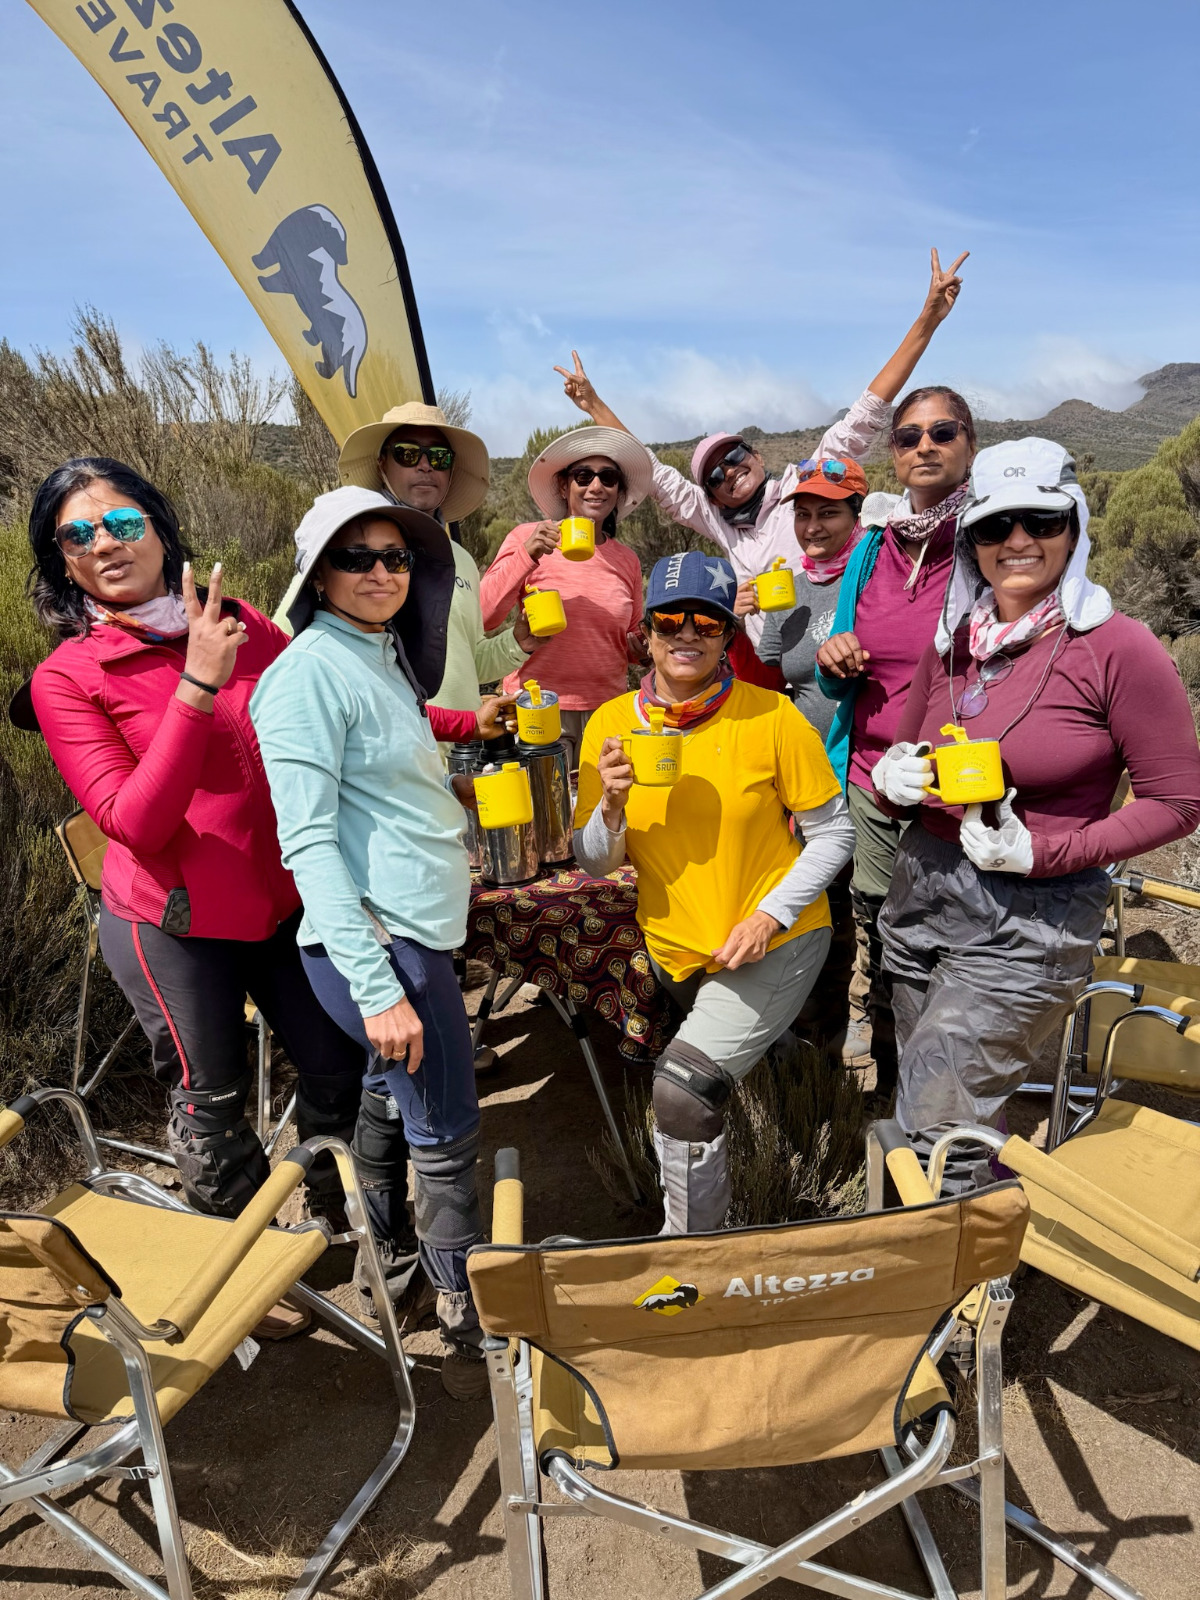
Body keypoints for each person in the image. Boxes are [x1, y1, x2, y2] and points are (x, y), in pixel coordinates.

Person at [24, 458, 367, 1270]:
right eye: (76, 535)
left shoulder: (234, 618)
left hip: (281, 901)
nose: (103, 543)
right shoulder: (65, 678)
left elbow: (338, 700)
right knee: (210, 1102)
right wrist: (197, 684)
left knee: (336, 1062)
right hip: (172, 923)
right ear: (61, 562)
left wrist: (459, 725)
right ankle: (252, 1268)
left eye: (122, 522)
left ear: (159, 527)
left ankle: (341, 1213)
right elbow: (133, 822)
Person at [870, 439, 1200, 1192]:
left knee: (934, 1124)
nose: (1018, 541)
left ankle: (955, 1296)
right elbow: (904, 761)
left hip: (1031, 918)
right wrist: (896, 779)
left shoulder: (1119, 648)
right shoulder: (952, 645)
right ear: (973, 542)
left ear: (1074, 527)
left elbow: (1179, 801)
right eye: (996, 526)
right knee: (933, 1097)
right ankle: (953, 1234)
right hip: (923, 895)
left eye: (1040, 521)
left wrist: (1043, 852)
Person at [250, 486, 490, 1400]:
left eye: (397, 557)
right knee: (446, 1125)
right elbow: (306, 842)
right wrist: (379, 985)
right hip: (382, 942)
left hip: (410, 927)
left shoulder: (378, 655)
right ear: (319, 574)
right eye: (359, 558)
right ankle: (459, 1299)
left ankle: (386, 1251)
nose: (383, 572)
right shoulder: (310, 673)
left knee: (394, 1099)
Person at [573, 551, 855, 1233]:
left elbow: (834, 833)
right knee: (753, 1064)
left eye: (707, 621)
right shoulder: (610, 724)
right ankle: (813, 1135)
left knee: (684, 1090)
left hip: (777, 938)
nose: (687, 636)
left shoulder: (771, 718)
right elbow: (594, 863)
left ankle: (694, 1253)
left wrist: (769, 915)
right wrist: (610, 808)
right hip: (679, 949)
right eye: (670, 622)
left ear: (730, 633)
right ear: (646, 633)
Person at [556, 249, 968, 647]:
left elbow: (868, 411)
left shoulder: (805, 484)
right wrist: (594, 404)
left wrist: (927, 320)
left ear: (757, 456)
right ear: (711, 495)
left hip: (837, 661)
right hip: (766, 672)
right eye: (714, 476)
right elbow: (652, 470)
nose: (730, 472)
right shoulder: (719, 523)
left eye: (734, 457)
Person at [815, 384, 978, 1096]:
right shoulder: (872, 548)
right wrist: (832, 655)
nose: (925, 447)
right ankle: (877, 1028)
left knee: (958, 919)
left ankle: (944, 1060)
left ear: (971, 443)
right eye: (909, 436)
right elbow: (838, 665)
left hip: (960, 776)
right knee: (876, 911)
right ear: (893, 453)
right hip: (872, 770)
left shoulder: (989, 535)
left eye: (943, 432)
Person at [277, 402, 539, 724]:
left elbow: (466, 661)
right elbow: (284, 641)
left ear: (450, 470)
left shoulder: (461, 560)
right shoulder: (343, 550)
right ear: (382, 463)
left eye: (439, 457)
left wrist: (518, 642)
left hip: (463, 750)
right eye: (407, 453)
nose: (425, 466)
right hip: (388, 757)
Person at [758, 461, 898, 1061]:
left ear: (856, 515)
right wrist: (760, 607)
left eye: (828, 512)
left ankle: (867, 1017)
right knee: (812, 899)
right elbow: (774, 663)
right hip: (797, 774)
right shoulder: (793, 581)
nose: (813, 525)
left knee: (863, 901)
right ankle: (817, 1019)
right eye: (804, 513)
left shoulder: (873, 580)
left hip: (857, 763)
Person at [479, 425, 654, 767]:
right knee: (543, 818)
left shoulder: (626, 560)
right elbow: (484, 616)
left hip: (607, 710)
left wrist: (644, 650)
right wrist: (527, 554)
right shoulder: (527, 539)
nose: (596, 486)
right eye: (583, 476)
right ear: (563, 485)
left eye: (608, 478)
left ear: (619, 491)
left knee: (600, 816)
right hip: (536, 707)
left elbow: (631, 635)